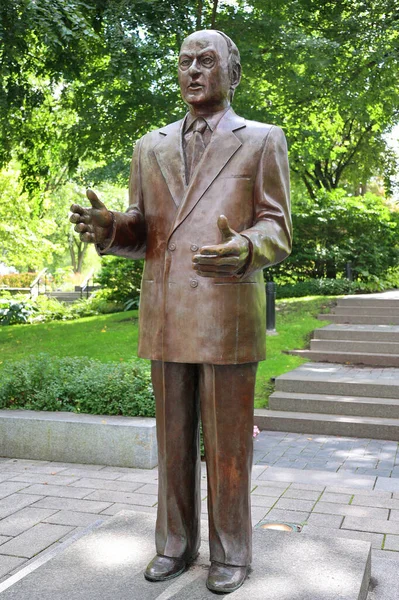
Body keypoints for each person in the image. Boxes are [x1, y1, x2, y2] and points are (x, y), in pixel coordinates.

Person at [70, 29, 292, 594]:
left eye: (207, 61)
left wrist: (245, 248)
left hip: (226, 313)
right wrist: (112, 229)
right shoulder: (151, 146)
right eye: (185, 62)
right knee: (172, 441)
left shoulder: (262, 140)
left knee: (228, 445)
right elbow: (146, 229)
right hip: (167, 312)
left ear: (232, 74)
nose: (193, 71)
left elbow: (277, 227)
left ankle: (232, 553)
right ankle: (174, 544)